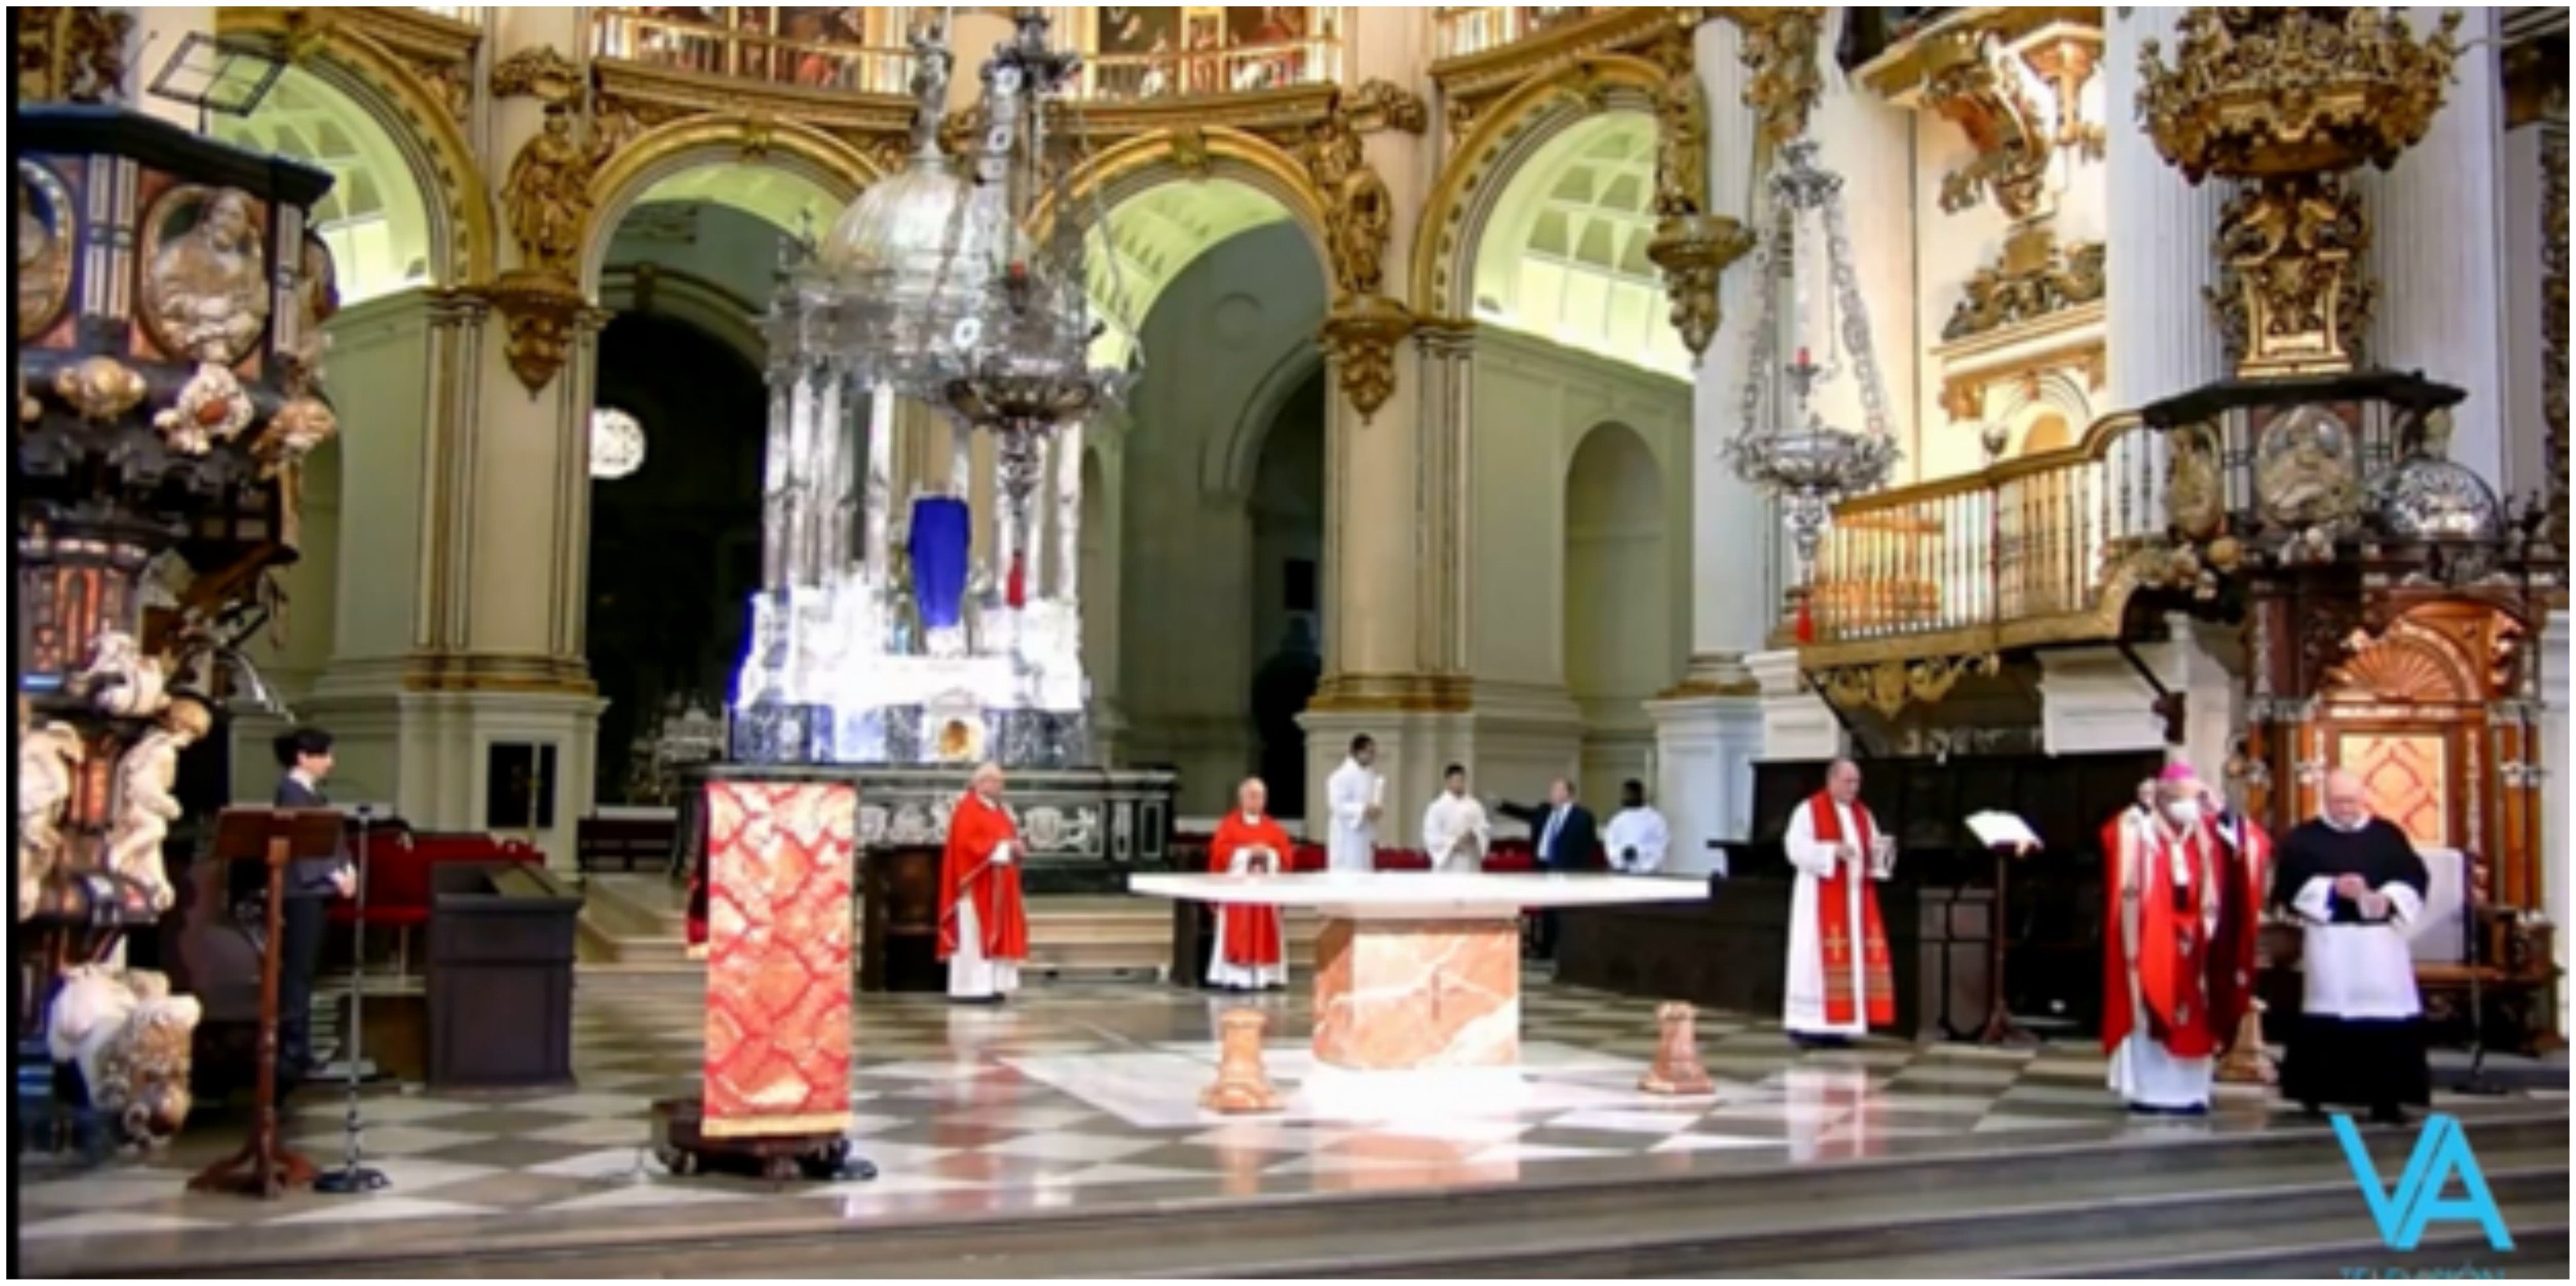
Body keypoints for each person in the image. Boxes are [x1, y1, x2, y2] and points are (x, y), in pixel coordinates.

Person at [2100, 763, 2264, 1115]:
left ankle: (2192, 1092)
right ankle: (2149, 1092)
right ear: (2159, 797)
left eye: (2191, 798)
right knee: (2150, 1008)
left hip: (2200, 941)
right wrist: (2142, 808)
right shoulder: (2138, 828)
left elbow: (2252, 847)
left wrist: (2223, 812)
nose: (2184, 806)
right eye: (2175, 799)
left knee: (2198, 1013)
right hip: (2151, 937)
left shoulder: (2210, 830)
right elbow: (2112, 840)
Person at [2273, 769, 2430, 1124]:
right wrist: (2331, 888)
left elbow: (2413, 877)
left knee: (2386, 1017)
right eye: (2338, 802)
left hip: (2380, 944)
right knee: (2331, 1013)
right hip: (2333, 942)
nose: (2346, 808)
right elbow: (2288, 885)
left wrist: (2387, 898)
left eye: (2353, 801)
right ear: (2325, 800)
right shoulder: (2304, 838)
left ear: (2364, 799)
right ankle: (2320, 1094)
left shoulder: (2387, 835)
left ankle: (2386, 1100)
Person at [1781, 759, 1894, 1047]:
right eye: (1847, 781)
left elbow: (1872, 853)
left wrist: (1881, 853)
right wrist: (1832, 852)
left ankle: (1841, 1026)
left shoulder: (1863, 814)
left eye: (1856, 782)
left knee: (1852, 960)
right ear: (1831, 781)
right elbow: (1795, 849)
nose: (1853, 788)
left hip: (1855, 902)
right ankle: (1807, 1025)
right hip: (1818, 901)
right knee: (1813, 962)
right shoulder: (1808, 811)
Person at [269, 728, 357, 1084]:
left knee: (306, 970)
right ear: (303, 757)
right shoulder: (290, 793)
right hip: (301, 893)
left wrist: (348, 868)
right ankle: (294, 1050)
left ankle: (300, 1048)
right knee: (298, 972)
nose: (330, 762)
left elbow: (332, 837)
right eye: (325, 755)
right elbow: (304, 845)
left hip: (316, 891)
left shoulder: (309, 793)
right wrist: (336, 875)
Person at [938, 762, 1028, 1004]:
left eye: (1002, 781)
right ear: (981, 782)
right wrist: (1005, 847)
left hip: (999, 885)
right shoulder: (967, 809)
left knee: (998, 934)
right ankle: (972, 988)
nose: (1001, 786)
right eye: (997, 781)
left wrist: (1016, 847)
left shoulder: (997, 810)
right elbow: (967, 846)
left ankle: (995, 985)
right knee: (974, 936)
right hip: (977, 886)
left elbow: (1006, 838)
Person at [1205, 778, 1294, 991]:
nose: (1256, 801)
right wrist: (1246, 853)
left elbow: (1286, 857)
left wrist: (1269, 855)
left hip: (1265, 894)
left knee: (1266, 930)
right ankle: (1237, 977)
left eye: (1260, 796)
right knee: (1238, 929)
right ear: (1242, 798)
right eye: (1252, 796)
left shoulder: (1273, 828)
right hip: (1237, 893)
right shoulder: (1228, 826)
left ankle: (1266, 976)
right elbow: (1219, 854)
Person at [1500, 779, 1597, 959]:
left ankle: (1567, 950)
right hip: (1544, 868)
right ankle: (1546, 949)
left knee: (1566, 913)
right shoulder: (1545, 811)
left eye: (1556, 790)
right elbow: (1525, 814)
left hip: (1568, 870)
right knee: (1548, 911)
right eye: (1552, 790)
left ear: (1568, 794)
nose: (1552, 793)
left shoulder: (1583, 817)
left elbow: (1586, 847)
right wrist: (1501, 805)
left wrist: (1581, 874)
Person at [1324, 734, 1382, 873]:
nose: (1372, 756)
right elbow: (1336, 805)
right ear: (1357, 752)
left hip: (1364, 834)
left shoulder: (1370, 775)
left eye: (1373, 752)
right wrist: (1362, 809)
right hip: (1347, 834)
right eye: (1369, 752)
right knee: (1348, 872)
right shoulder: (1340, 776)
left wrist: (1374, 811)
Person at [1421, 764, 1491, 873]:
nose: (1459, 784)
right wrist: (1454, 843)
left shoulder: (1475, 806)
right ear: (1448, 781)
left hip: (1470, 860)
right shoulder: (1437, 807)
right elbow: (1432, 835)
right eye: (1456, 780)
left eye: (1462, 780)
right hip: (1449, 862)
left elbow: (1484, 828)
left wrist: (1476, 834)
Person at [1602, 779, 1670, 876]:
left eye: (1631, 793)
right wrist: (1621, 856)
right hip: (1622, 872)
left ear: (1641, 794)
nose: (1628, 796)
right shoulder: (1617, 820)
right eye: (1625, 794)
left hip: (1648, 873)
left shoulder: (1655, 819)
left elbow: (1661, 845)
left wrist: (1640, 854)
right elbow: (1610, 844)